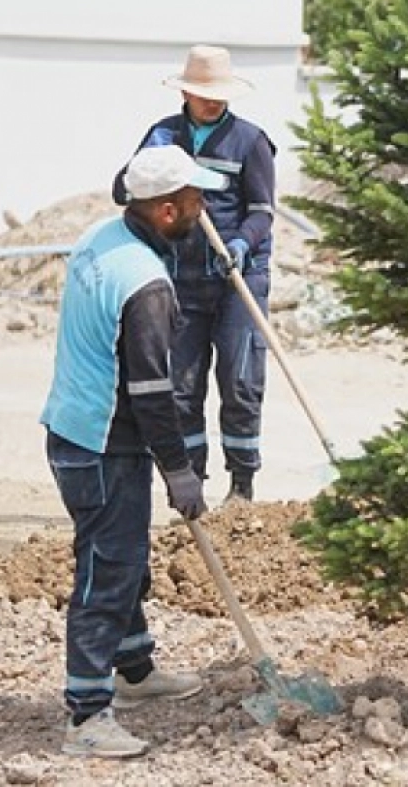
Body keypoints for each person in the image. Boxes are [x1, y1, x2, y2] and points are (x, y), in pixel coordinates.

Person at [42, 144, 228, 757]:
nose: (205, 210)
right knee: (109, 569)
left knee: (122, 556)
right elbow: (153, 394)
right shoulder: (146, 284)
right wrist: (180, 471)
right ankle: (87, 717)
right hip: (101, 443)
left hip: (76, 427)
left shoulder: (103, 237)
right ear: (169, 211)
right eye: (197, 200)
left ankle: (135, 672)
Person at [115, 45, 278, 503]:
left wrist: (242, 243)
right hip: (179, 279)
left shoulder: (250, 141)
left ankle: (242, 485)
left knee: (240, 380)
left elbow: (263, 210)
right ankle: (192, 487)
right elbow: (121, 191)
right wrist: (148, 162)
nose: (213, 101)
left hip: (237, 280)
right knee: (182, 387)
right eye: (204, 93)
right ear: (186, 91)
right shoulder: (163, 135)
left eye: (219, 94)